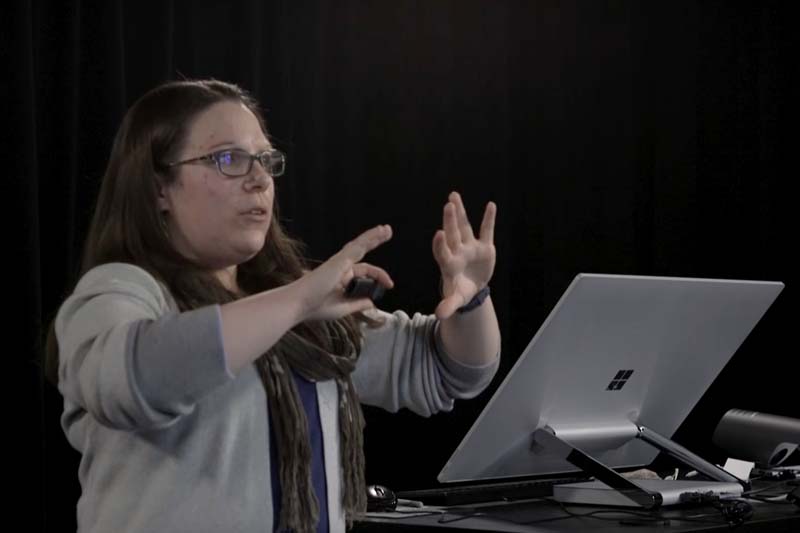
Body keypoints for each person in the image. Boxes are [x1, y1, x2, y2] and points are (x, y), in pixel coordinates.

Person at [47, 79, 501, 533]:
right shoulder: (119, 289)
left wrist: (471, 297)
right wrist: (299, 300)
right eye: (229, 159)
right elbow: (135, 379)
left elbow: (445, 372)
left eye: (265, 161)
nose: (260, 180)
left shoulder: (296, 309)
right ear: (159, 188)